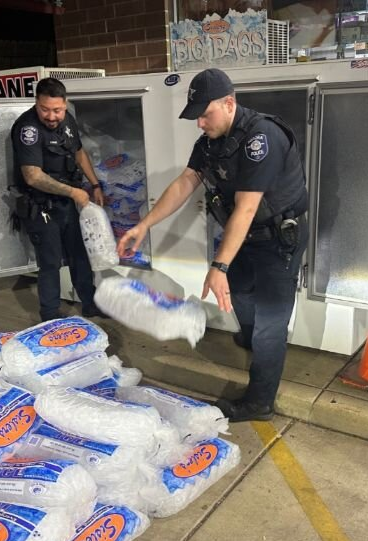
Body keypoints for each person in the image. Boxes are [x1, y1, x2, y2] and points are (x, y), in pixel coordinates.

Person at [116, 68, 309, 422]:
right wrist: (143, 225)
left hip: (277, 239)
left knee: (270, 323)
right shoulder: (210, 142)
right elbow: (186, 182)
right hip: (244, 238)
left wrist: (218, 266)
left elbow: (248, 206)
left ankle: (259, 402)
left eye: (205, 114)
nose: (200, 123)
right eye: (197, 116)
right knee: (241, 294)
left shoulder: (261, 137)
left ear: (229, 103)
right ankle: (253, 341)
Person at [10, 77, 107, 321]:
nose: (52, 116)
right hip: (42, 207)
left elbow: (78, 152)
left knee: (79, 255)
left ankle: (90, 304)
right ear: (36, 103)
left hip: (68, 203)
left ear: (65, 104)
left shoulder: (68, 120)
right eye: (45, 109)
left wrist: (94, 184)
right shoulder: (28, 129)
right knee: (50, 263)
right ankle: (50, 316)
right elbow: (32, 176)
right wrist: (74, 192)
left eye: (57, 110)